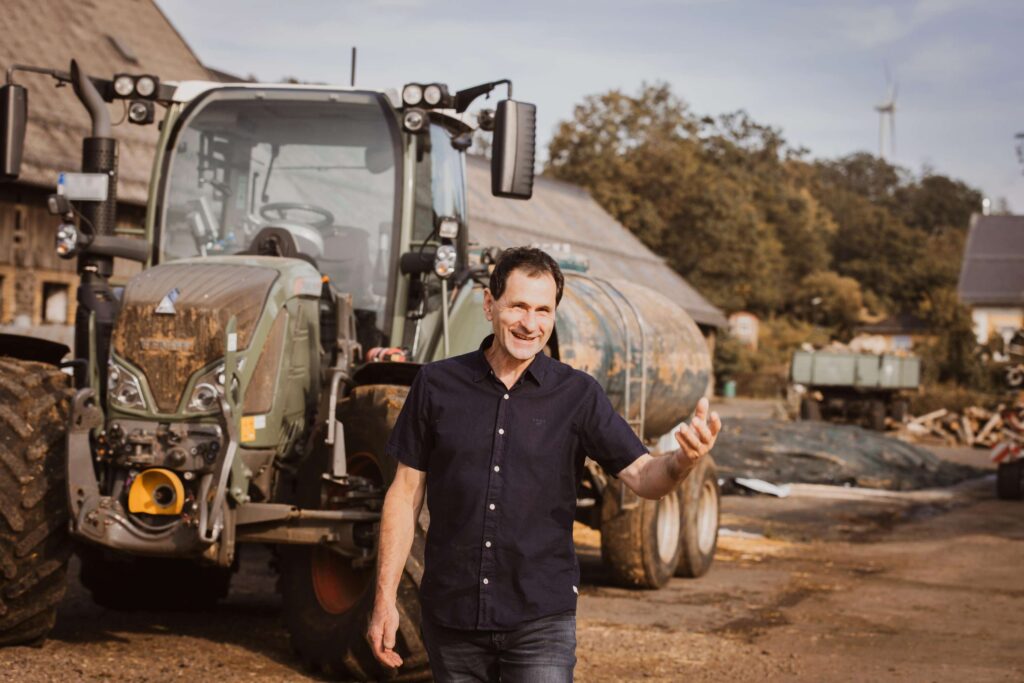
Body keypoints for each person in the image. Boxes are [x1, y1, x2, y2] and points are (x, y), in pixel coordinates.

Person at [367, 247, 721, 682]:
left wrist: (682, 461)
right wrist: (384, 598)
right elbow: (403, 496)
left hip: (540, 620)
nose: (529, 324)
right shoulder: (437, 385)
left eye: (543, 310)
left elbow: (644, 477)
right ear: (489, 305)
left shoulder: (578, 395)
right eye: (518, 306)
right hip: (452, 617)